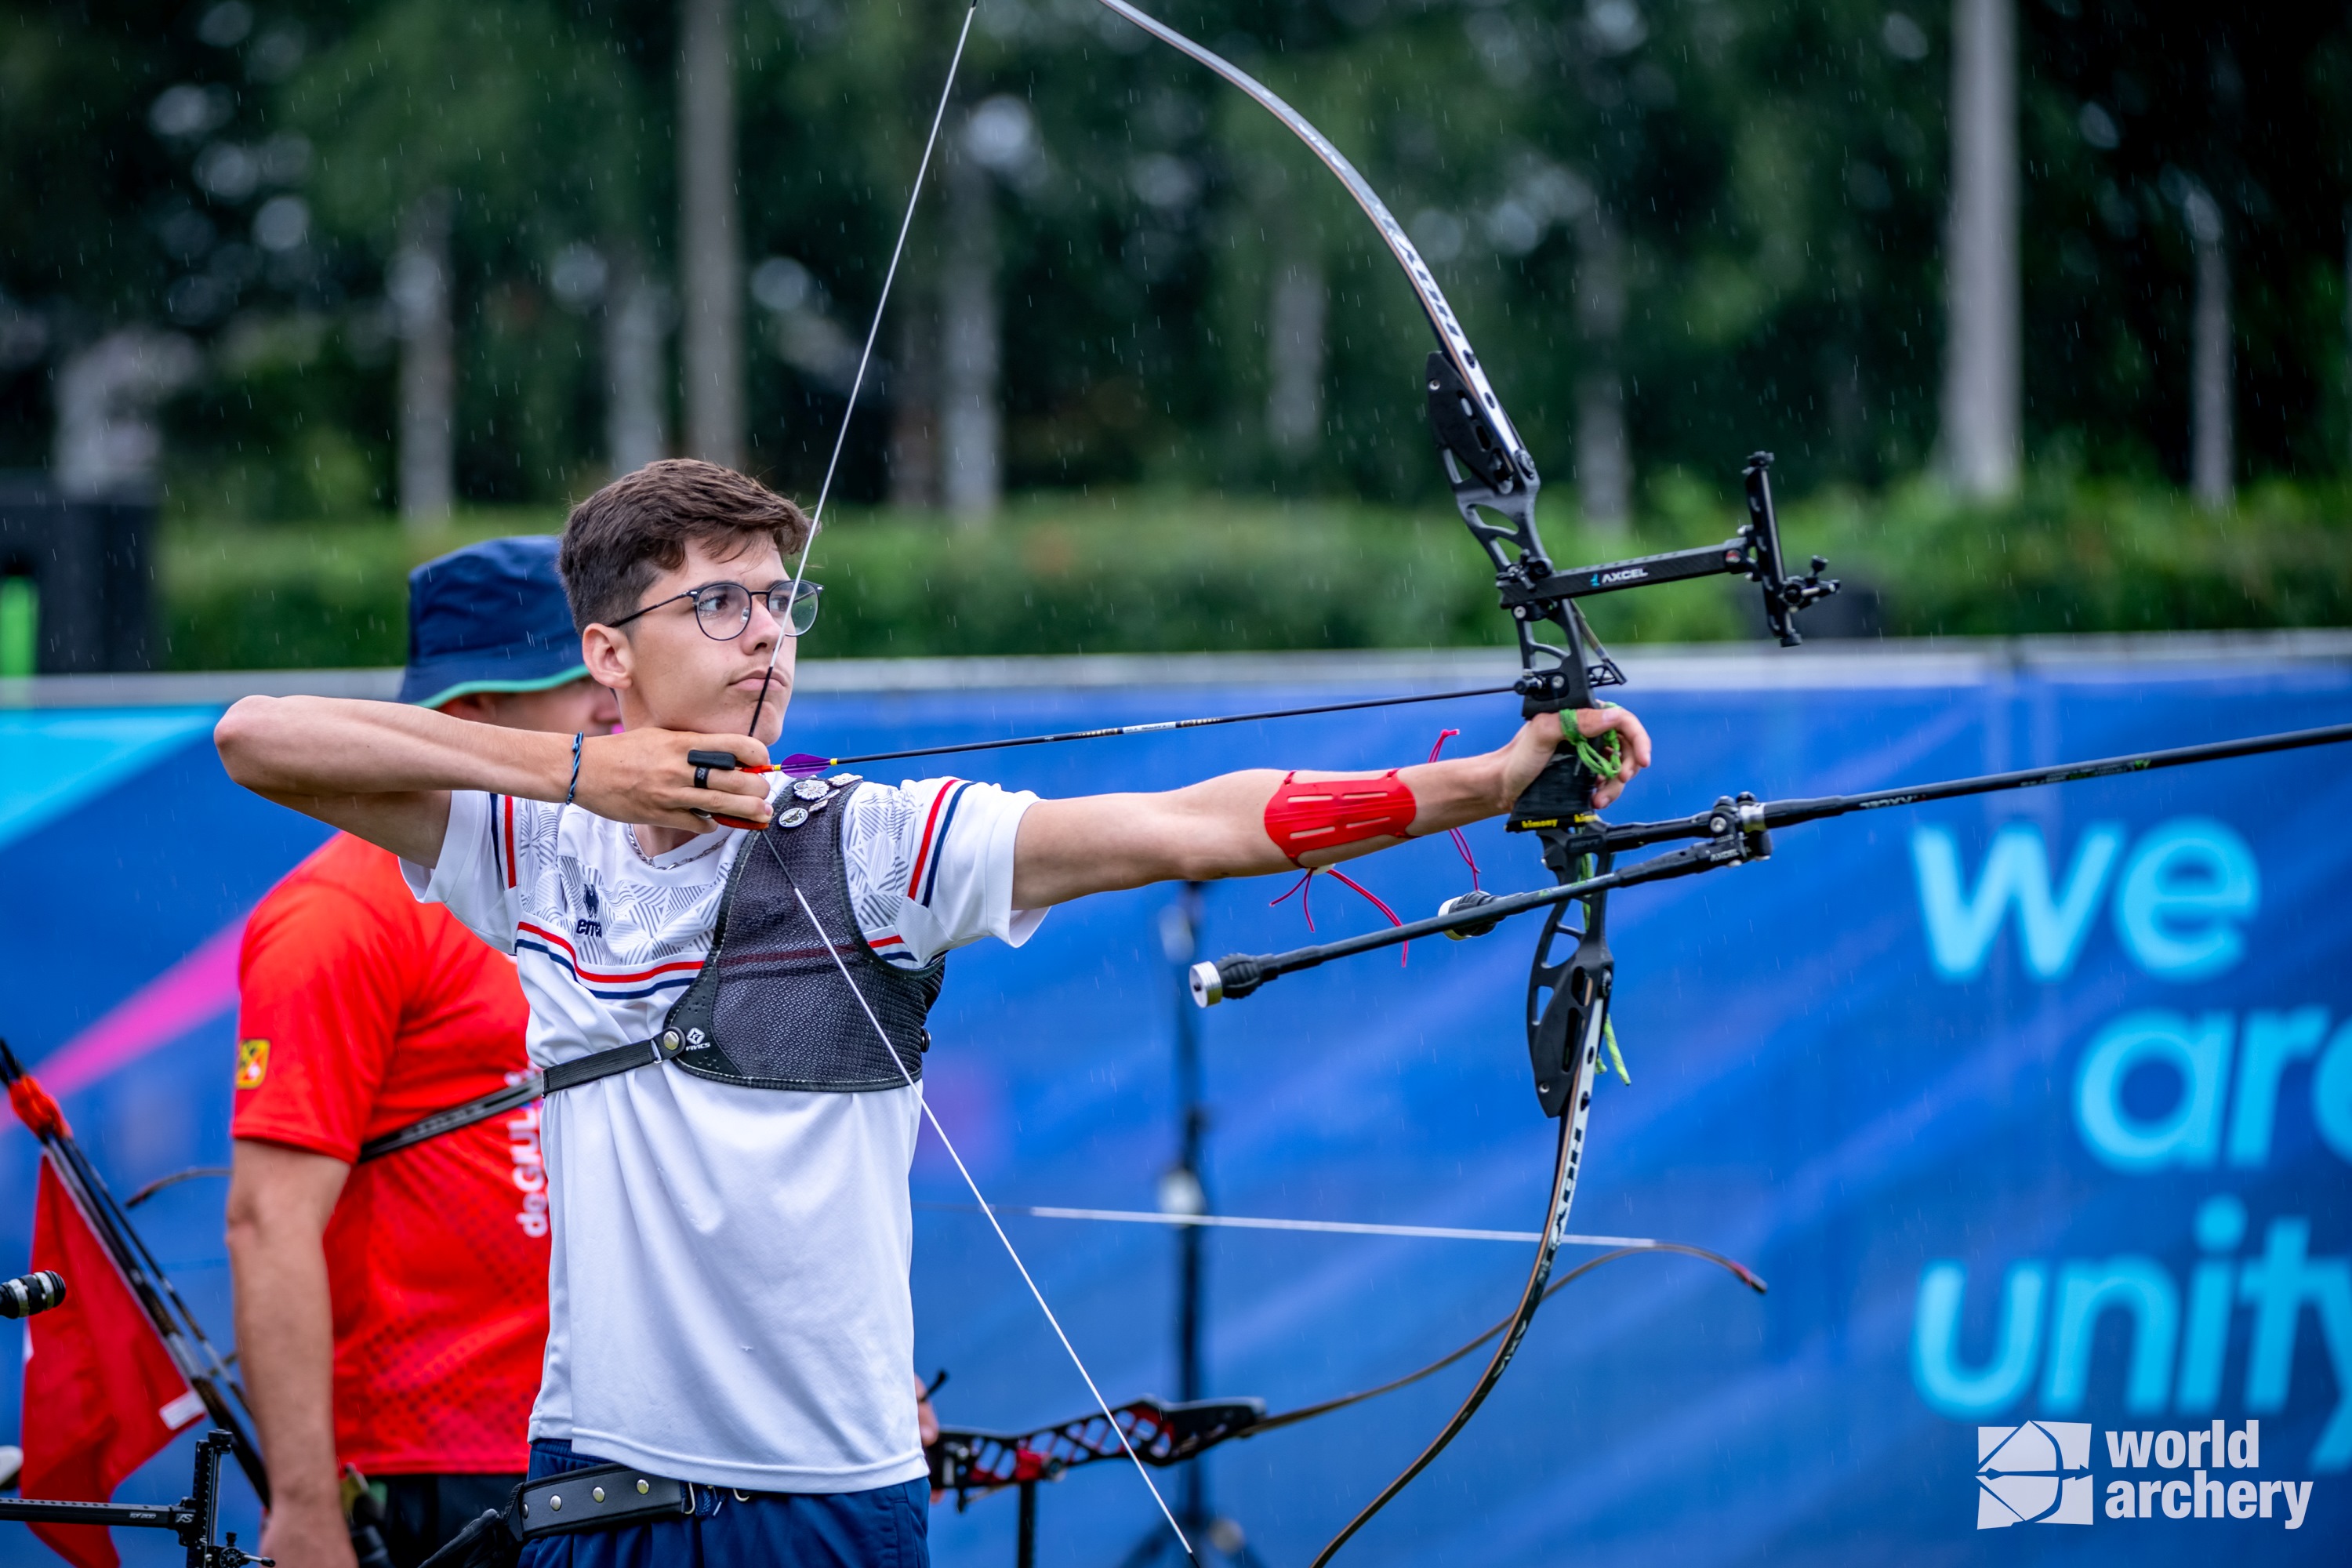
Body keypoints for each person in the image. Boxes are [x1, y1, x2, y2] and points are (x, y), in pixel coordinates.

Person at [212, 459, 1652, 1568]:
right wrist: (589, 782)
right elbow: (255, 739)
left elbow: (1182, 828)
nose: (765, 636)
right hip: (601, 1491)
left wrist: (1473, 785)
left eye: (781, 601)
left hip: (827, 1502)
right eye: (718, 603)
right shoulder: (536, 851)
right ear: (605, 655)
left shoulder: (883, 844)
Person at [225, 538, 619, 1568]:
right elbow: (270, 1222)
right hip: (442, 1465)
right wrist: (305, 1507)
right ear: (468, 719)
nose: (613, 696)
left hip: (615, 1440)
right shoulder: (340, 911)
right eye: (574, 677)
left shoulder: (604, 881)